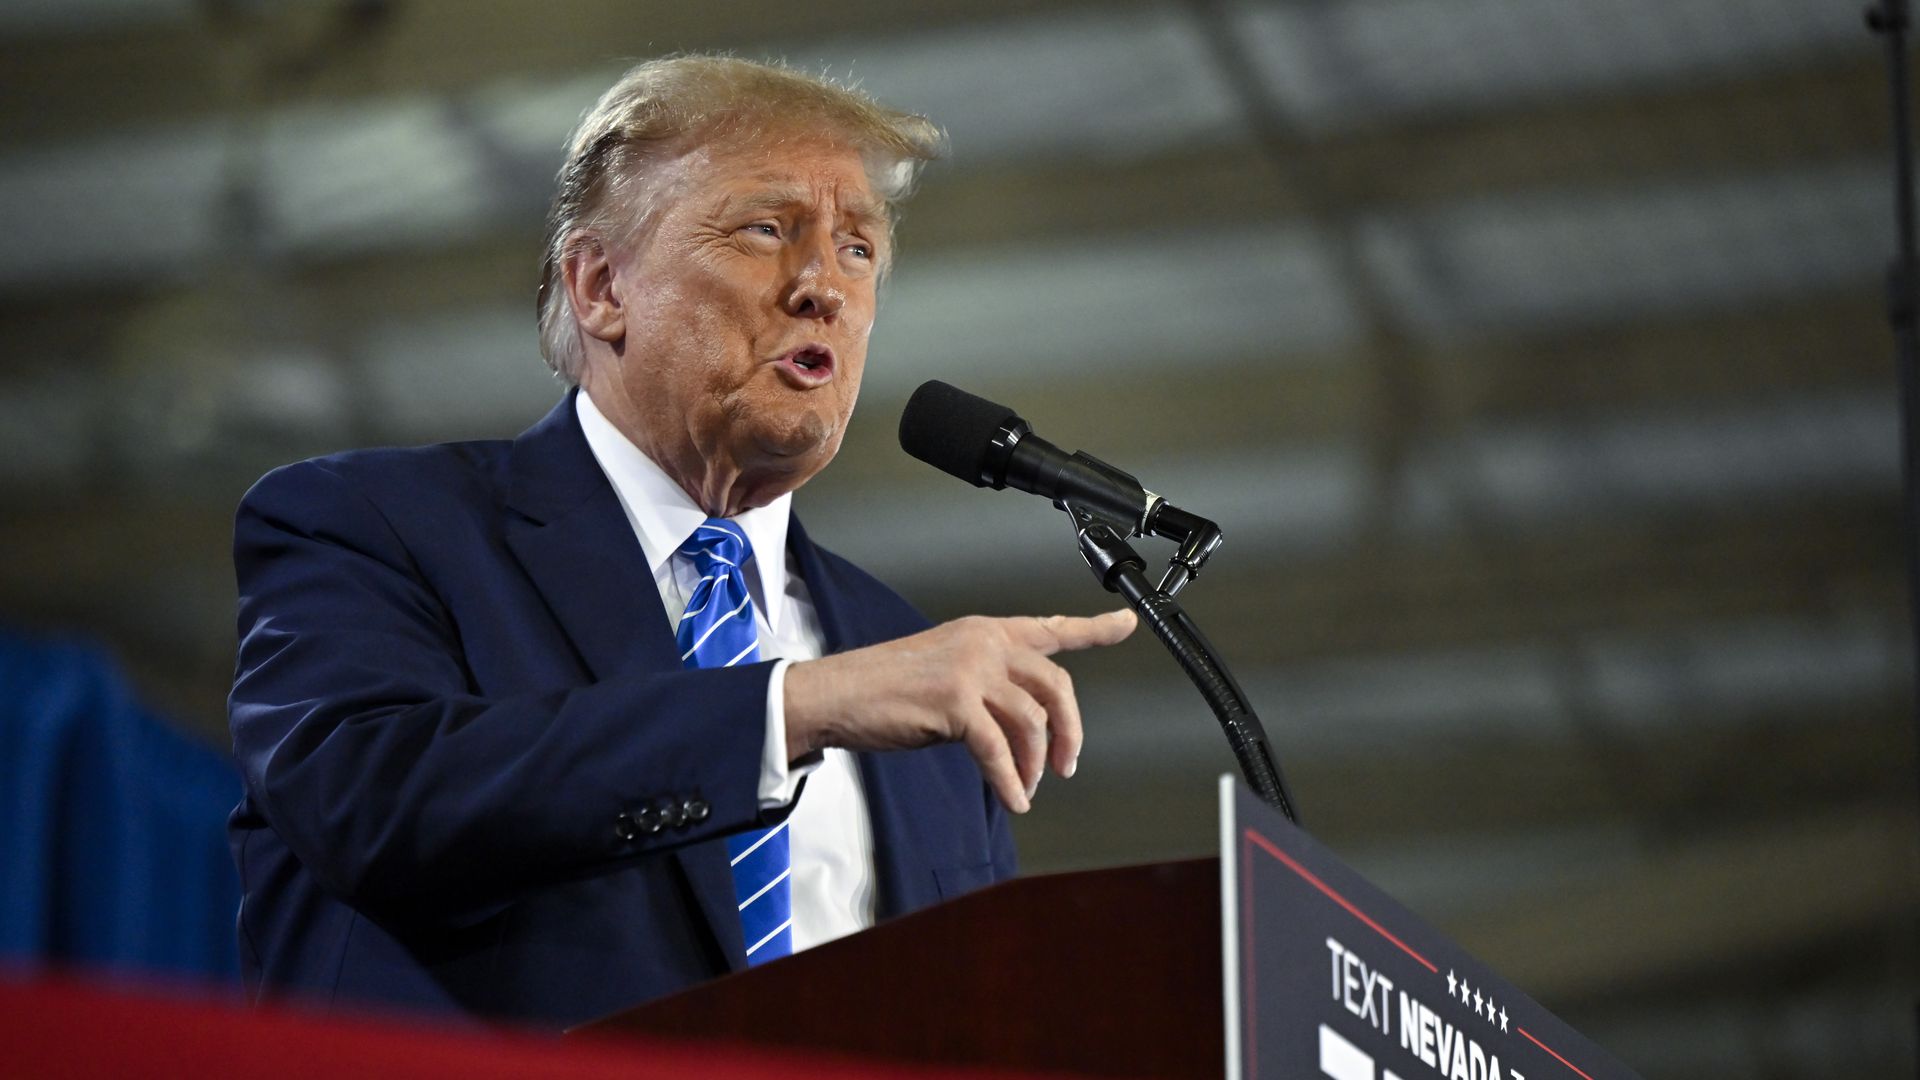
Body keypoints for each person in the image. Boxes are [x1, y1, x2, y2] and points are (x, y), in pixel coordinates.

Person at [226, 55, 1136, 1029]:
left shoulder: (914, 664)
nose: (824, 286)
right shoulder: (375, 525)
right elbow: (367, 799)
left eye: (859, 249)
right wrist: (789, 708)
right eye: (766, 230)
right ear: (601, 285)